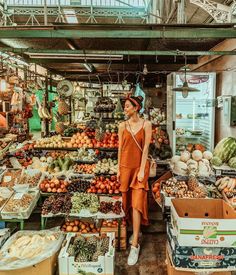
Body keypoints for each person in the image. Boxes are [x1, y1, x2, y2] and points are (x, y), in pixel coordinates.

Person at [117, 95, 152, 265]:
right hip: (125, 167)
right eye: (124, 106)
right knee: (127, 203)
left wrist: (141, 170)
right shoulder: (122, 125)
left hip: (139, 169)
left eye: (128, 106)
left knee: (137, 203)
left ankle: (135, 245)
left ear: (136, 108)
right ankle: (134, 232)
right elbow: (120, 148)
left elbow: (145, 148)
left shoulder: (146, 125)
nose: (125, 109)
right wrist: (118, 168)